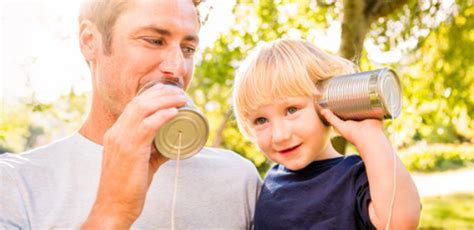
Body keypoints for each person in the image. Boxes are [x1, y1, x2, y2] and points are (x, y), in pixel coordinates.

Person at [0, 0, 261, 229]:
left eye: (188, 49)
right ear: (90, 40)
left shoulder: (238, 179)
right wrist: (112, 212)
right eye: (154, 40)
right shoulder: (16, 184)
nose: (177, 67)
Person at [232, 38, 421, 229]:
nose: (280, 135)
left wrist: (371, 137)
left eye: (291, 110)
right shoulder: (270, 183)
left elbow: (401, 222)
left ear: (327, 102)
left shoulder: (355, 176)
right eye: (261, 120)